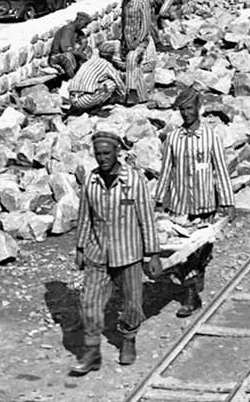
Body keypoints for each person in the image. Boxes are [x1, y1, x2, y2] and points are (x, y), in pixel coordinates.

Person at [71, 130, 162, 374]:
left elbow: (147, 218)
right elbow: (85, 216)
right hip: (97, 252)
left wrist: (153, 254)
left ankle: (128, 339)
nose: (102, 158)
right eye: (98, 154)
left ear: (117, 153)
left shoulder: (133, 180)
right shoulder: (91, 181)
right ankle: (91, 351)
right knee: (88, 302)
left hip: (129, 254)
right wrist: (80, 247)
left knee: (132, 303)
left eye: (107, 153)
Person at [157, 89, 235, 318]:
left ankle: (197, 273)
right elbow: (166, 172)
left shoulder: (211, 137)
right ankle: (191, 296)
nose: (186, 114)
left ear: (198, 109)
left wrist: (228, 201)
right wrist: (159, 200)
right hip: (180, 206)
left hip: (205, 205)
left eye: (190, 108)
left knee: (201, 248)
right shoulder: (173, 138)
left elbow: (220, 170)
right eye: (182, 110)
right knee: (184, 251)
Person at [117, 0, 153, 106]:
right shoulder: (124, 2)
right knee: (134, 67)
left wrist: (137, 41)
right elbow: (124, 22)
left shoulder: (142, 2)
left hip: (140, 40)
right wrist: (123, 42)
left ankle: (131, 91)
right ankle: (143, 97)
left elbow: (146, 24)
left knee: (131, 59)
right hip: (127, 40)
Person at [66, 42, 124, 114]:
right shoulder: (106, 65)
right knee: (111, 83)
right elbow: (118, 81)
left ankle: (80, 107)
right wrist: (123, 94)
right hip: (85, 100)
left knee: (95, 83)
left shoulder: (90, 61)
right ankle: (95, 108)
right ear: (111, 55)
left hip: (71, 98)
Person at [48, 12, 92, 78]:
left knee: (88, 49)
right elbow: (66, 49)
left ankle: (82, 74)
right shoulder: (68, 29)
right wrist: (79, 54)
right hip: (57, 56)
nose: (85, 27)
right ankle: (73, 79)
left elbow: (84, 41)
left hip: (70, 53)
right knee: (68, 57)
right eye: (85, 24)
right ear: (80, 21)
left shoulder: (78, 31)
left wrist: (81, 50)